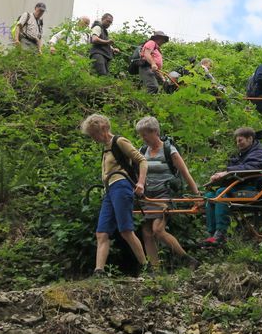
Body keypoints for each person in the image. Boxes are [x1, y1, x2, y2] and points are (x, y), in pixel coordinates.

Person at [80, 114, 148, 276]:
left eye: (94, 134)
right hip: (109, 190)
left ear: (103, 128)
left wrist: (140, 183)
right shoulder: (106, 147)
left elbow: (142, 160)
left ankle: (146, 266)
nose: (94, 138)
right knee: (101, 232)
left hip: (121, 186)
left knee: (125, 230)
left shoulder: (119, 141)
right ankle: (99, 271)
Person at [135, 116, 200, 270]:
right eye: (141, 135)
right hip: (149, 196)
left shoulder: (169, 150)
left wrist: (197, 196)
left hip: (166, 194)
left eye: (145, 134)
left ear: (155, 132)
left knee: (158, 230)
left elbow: (185, 173)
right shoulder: (142, 151)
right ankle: (155, 270)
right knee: (147, 232)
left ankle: (188, 259)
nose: (143, 138)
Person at [204, 127, 262, 246]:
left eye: (240, 140)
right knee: (209, 196)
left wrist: (227, 171)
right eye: (237, 141)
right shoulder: (242, 153)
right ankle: (212, 234)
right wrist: (221, 175)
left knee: (222, 193)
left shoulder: (258, 152)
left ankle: (221, 233)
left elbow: (253, 167)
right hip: (240, 186)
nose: (238, 143)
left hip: (252, 188)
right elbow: (237, 168)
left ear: (250, 139)